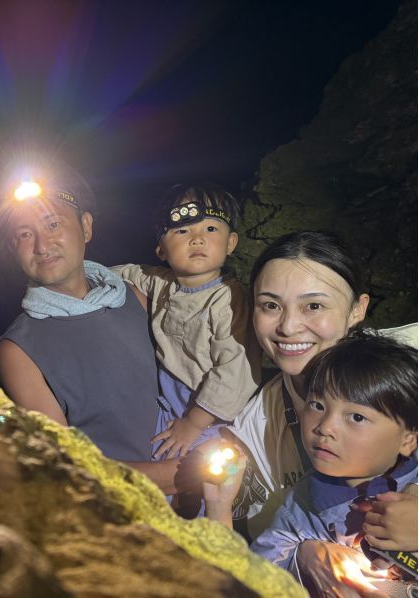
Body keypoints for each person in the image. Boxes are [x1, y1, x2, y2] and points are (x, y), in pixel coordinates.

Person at [198, 230, 417, 594]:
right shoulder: (256, 430)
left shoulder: (408, 369)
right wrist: (302, 558)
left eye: (314, 306)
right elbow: (267, 555)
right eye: (270, 305)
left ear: (357, 309)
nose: (287, 326)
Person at [0, 164, 181, 492]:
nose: (41, 244)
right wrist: (177, 477)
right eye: (24, 233)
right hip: (121, 513)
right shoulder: (18, 349)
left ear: (86, 226)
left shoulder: (134, 296)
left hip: (202, 490)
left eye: (53, 224)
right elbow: (66, 463)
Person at [250, 331, 417, 592]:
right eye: (317, 405)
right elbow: (258, 570)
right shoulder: (305, 503)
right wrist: (303, 560)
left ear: (408, 440)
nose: (325, 427)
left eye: (357, 417)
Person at [114, 184, 261, 461]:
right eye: (182, 231)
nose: (197, 239)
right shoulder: (159, 282)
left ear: (231, 242)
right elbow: (124, 272)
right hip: (168, 404)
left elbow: (235, 370)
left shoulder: (228, 299)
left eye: (210, 229)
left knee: (203, 477)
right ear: (161, 250)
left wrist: (194, 423)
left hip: (212, 416)